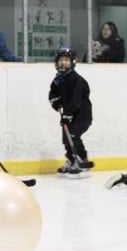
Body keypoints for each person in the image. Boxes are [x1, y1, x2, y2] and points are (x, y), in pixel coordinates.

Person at [48, 47, 93, 178]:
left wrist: (68, 114)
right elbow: (53, 93)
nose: (63, 63)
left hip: (82, 116)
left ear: (73, 62)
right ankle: (72, 160)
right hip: (69, 115)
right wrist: (55, 101)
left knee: (72, 136)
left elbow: (76, 99)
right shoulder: (58, 79)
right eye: (61, 60)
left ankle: (82, 160)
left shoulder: (75, 79)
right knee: (66, 138)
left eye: (66, 60)